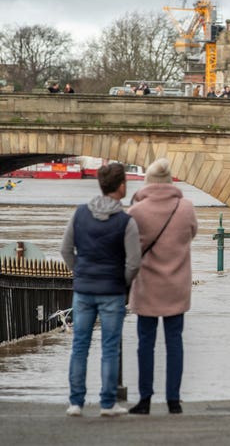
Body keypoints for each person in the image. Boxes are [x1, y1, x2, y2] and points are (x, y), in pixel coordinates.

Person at [60, 162, 141, 417]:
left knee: (80, 346)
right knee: (109, 347)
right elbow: (134, 262)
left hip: (83, 291)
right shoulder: (125, 222)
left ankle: (75, 403)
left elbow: (65, 250)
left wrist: (80, 272)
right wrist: (123, 282)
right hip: (112, 291)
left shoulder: (80, 213)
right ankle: (108, 404)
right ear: (121, 186)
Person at [127, 158, 198, 415]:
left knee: (145, 342)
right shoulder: (186, 208)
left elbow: (129, 248)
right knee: (175, 342)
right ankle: (174, 400)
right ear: (169, 181)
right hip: (176, 285)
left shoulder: (136, 211)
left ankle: (145, 399)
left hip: (147, 285)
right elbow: (192, 233)